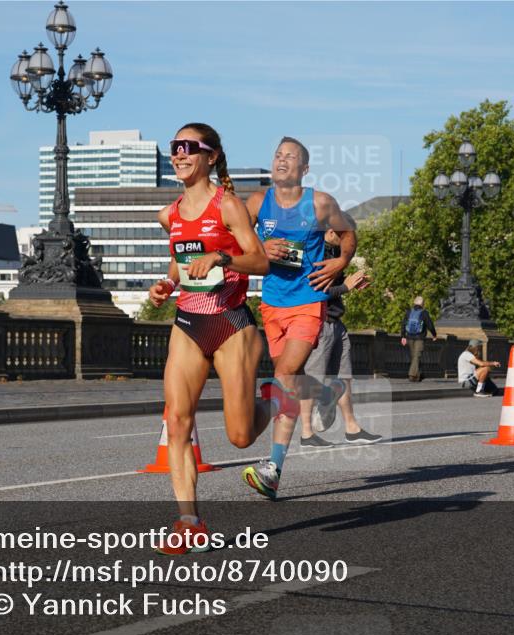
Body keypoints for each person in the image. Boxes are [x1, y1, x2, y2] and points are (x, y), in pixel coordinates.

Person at [149, 123, 272, 553]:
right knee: (177, 421)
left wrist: (222, 256)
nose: (179, 155)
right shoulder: (170, 214)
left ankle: (272, 400)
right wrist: (164, 286)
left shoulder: (229, 206)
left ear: (211, 156)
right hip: (187, 323)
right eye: (174, 148)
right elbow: (178, 264)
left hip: (230, 324)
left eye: (189, 148)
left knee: (241, 436)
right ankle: (189, 522)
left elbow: (260, 261)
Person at [242, 136, 356, 499]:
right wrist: (259, 247)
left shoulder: (320, 203)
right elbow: (236, 239)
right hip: (272, 304)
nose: (282, 160)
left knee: (283, 376)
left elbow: (349, 232)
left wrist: (341, 260)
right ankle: (326, 392)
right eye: (278, 155)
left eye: (290, 157)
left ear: (304, 169)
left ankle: (273, 466)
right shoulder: (258, 201)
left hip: (308, 302)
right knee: (288, 385)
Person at [298, 226, 383, 446]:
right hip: (319, 322)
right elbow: (314, 291)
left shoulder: (336, 253)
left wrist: (353, 284)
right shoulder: (314, 252)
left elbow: (336, 285)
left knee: (344, 377)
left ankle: (352, 428)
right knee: (312, 379)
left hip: (336, 322)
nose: (348, 242)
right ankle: (306, 432)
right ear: (329, 232)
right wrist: (346, 287)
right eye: (343, 236)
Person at [401, 296, 437, 382]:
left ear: (414, 302)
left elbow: (403, 324)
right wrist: (434, 335)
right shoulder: (424, 313)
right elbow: (430, 325)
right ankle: (412, 375)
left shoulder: (409, 312)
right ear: (422, 303)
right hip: (419, 338)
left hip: (409, 337)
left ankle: (419, 375)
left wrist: (403, 336)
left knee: (414, 357)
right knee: (417, 357)